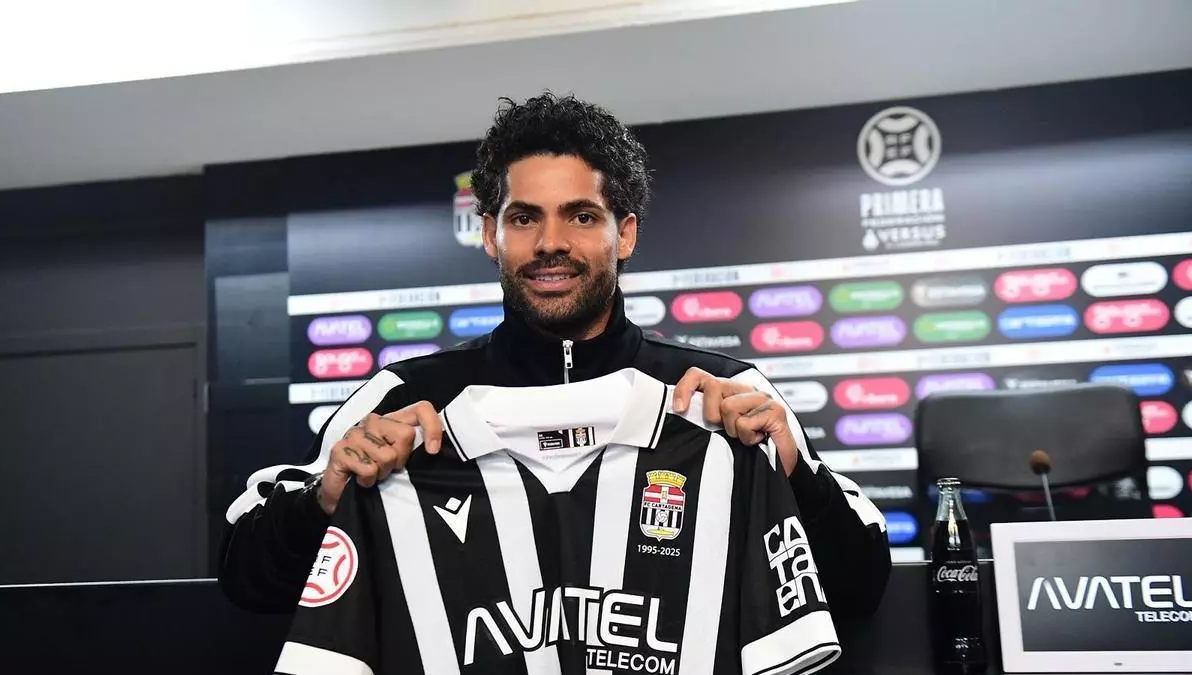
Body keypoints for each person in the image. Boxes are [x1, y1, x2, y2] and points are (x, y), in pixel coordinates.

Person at [218, 92, 890, 618]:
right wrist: (327, 495)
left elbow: (859, 588)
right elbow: (247, 578)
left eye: (582, 215)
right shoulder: (402, 397)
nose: (550, 243)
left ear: (625, 234)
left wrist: (791, 472)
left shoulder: (727, 392)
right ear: (490, 235)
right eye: (524, 218)